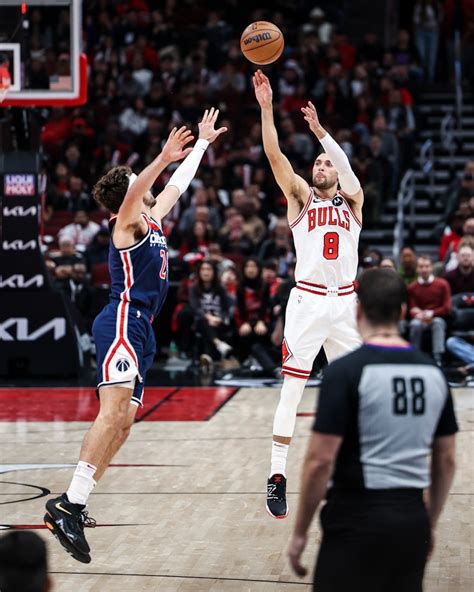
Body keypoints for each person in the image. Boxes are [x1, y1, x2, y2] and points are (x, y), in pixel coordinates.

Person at [43, 108, 227, 563]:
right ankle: (67, 504)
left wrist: (202, 145)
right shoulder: (125, 222)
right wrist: (162, 156)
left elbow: (178, 186)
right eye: (137, 182)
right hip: (122, 320)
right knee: (112, 414)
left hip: (143, 327)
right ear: (129, 192)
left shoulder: (152, 218)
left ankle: (76, 502)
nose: (147, 185)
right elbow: (145, 185)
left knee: (124, 422)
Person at [288, 268, 458, 592]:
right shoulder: (433, 373)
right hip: (411, 519)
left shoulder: (344, 372)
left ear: (358, 310)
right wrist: (430, 523)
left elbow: (320, 461)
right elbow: (447, 460)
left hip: (354, 518)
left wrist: (300, 532)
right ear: (403, 312)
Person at [253, 69, 364, 518]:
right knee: (292, 391)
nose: (321, 166)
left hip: (347, 304)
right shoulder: (300, 197)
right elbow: (274, 154)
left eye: (326, 163)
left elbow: (349, 171)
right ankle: (277, 475)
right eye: (317, 162)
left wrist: (321, 132)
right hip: (308, 300)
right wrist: (266, 109)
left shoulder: (353, 201)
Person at [408, 255, 451, 366]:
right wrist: (417, 314)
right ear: (417, 269)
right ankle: (414, 356)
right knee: (415, 324)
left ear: (431, 267)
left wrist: (430, 313)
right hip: (420, 319)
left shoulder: (442, 284)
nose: (424, 269)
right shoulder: (412, 287)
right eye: (421, 266)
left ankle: (438, 358)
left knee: (438, 322)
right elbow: (411, 308)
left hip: (435, 317)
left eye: (427, 266)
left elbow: (447, 308)